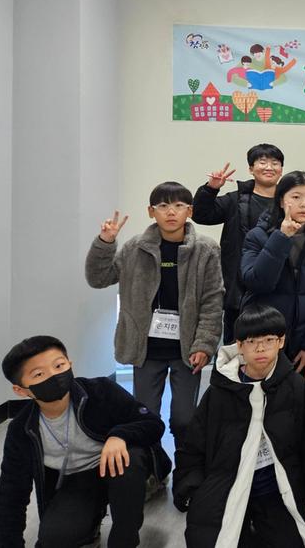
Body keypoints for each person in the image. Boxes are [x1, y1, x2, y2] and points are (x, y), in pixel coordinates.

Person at [0, 335, 171, 548]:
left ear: (70, 364)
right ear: (21, 390)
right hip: (77, 482)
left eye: (59, 365)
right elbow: (11, 493)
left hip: (118, 468)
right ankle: (90, 522)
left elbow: (152, 423)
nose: (54, 375)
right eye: (39, 374)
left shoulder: (101, 390)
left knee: (129, 461)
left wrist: (119, 435)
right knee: (54, 540)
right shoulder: (22, 429)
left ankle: (126, 536)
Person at [85, 182, 223, 450]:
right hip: (145, 349)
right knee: (146, 418)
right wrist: (105, 243)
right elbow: (98, 278)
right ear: (151, 211)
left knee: (185, 419)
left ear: (190, 211)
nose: (171, 211)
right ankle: (152, 466)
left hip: (187, 348)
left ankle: (186, 465)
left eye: (179, 205)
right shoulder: (135, 248)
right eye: (163, 205)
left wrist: (204, 344)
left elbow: (212, 300)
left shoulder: (205, 250)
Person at [174, 305, 305, 548]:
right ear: (240, 345)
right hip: (226, 485)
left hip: (275, 488)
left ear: (281, 342)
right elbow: (193, 446)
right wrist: (192, 491)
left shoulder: (296, 388)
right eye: (252, 341)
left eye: (269, 340)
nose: (260, 348)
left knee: (297, 542)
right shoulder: (219, 392)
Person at [241, 171, 305, 408]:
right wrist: (281, 237)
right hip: (266, 339)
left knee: (304, 408)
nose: (304, 204)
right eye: (296, 197)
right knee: (265, 407)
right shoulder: (257, 236)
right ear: (281, 200)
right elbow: (257, 282)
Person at [192, 143, 285, 344]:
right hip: (239, 289)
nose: (269, 167)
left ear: (281, 170)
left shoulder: (288, 203)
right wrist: (211, 189)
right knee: (235, 348)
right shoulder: (235, 200)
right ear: (251, 169)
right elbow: (201, 215)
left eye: (275, 163)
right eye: (262, 162)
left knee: (275, 346)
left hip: (278, 288)